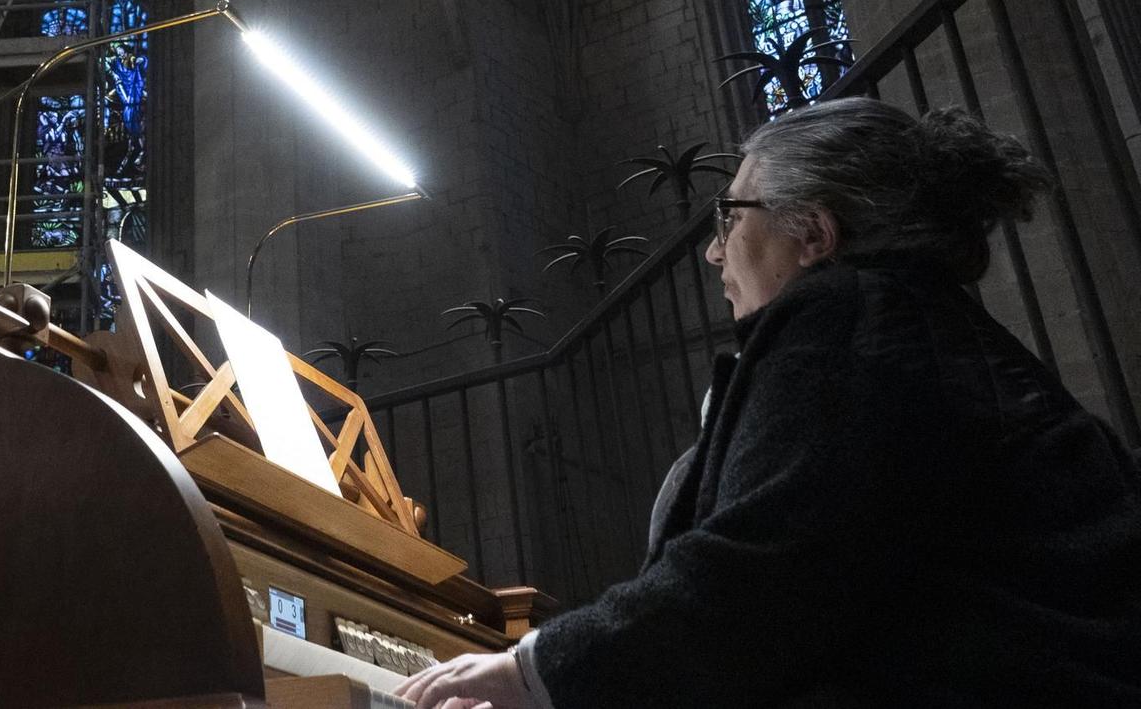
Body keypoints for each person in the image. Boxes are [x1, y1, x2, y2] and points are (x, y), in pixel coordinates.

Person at [398, 98, 1141, 708]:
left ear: (813, 233)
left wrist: (531, 671)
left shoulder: (851, 314)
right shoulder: (918, 326)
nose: (715, 251)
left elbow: (748, 585)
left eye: (729, 217)